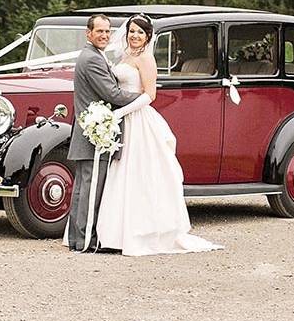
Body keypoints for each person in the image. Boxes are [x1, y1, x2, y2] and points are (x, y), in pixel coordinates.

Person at [96, 14, 223, 256]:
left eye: (140, 33)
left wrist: (119, 112)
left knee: (140, 174)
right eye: (132, 31)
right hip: (123, 118)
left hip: (138, 118)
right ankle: (115, 234)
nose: (134, 36)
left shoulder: (146, 59)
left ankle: (142, 233)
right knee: (119, 174)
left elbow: (150, 95)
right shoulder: (126, 56)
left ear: (148, 37)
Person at [64, 14, 140, 252]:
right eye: (100, 31)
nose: (105, 35)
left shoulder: (93, 56)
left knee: (82, 188)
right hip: (95, 134)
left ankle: (77, 239)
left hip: (89, 131)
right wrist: (143, 97)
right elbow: (112, 94)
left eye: (107, 31)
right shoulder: (92, 59)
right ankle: (86, 241)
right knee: (90, 189)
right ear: (89, 34)